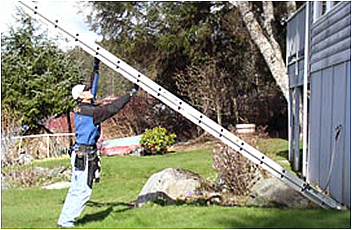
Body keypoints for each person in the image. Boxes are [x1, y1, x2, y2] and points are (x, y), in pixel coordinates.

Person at [58, 58, 139, 228]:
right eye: (86, 90)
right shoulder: (91, 112)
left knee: (75, 189)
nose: (89, 90)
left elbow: (92, 88)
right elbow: (112, 108)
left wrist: (96, 68)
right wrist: (129, 95)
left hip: (79, 152)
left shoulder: (80, 108)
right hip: (84, 155)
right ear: (81, 96)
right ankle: (66, 222)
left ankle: (64, 220)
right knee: (83, 192)